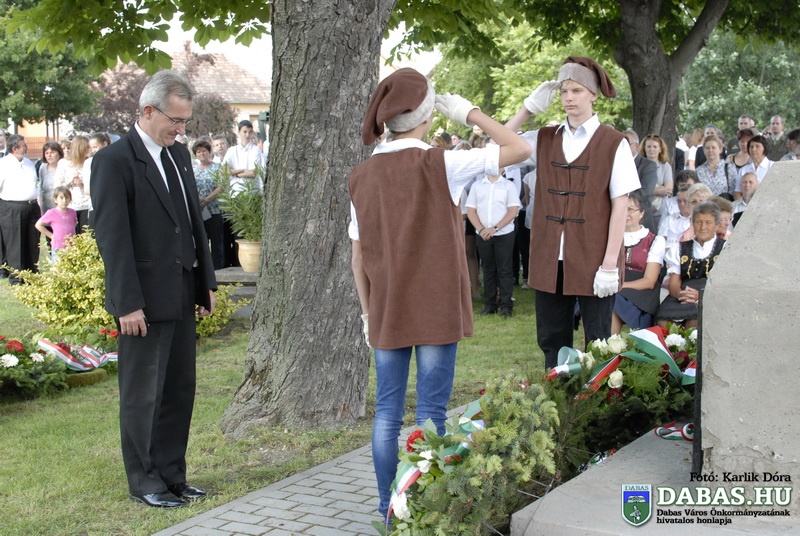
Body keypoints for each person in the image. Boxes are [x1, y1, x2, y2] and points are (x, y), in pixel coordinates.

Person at [348, 67, 531, 521]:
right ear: (428, 116)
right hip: (434, 304)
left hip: (387, 306)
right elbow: (519, 148)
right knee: (431, 412)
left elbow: (358, 256)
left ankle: (388, 509)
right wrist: (471, 114)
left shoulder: (362, 175)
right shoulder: (442, 163)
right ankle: (425, 507)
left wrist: (367, 313)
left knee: (387, 413)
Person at [90, 70, 217, 509]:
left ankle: (172, 475)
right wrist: (127, 303)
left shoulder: (178, 155)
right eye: (175, 121)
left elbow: (192, 221)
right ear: (148, 111)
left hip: (181, 289)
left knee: (179, 389)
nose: (181, 131)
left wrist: (205, 283)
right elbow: (113, 238)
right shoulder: (114, 161)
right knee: (143, 394)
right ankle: (143, 480)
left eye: (185, 122)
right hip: (141, 299)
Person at [505, 56, 640, 369]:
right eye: (564, 90)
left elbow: (620, 204)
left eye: (576, 90)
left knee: (599, 340)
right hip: (549, 256)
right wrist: (527, 109)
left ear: (593, 95)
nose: (568, 97)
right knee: (552, 339)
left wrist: (610, 264)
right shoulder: (544, 137)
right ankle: (558, 393)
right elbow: (497, 147)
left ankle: (598, 397)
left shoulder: (613, 142)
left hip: (594, 257)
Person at [656, 201, 725, 329]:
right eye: (698, 222)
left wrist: (700, 296)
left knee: (693, 323)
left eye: (708, 222)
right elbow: (674, 284)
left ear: (716, 225)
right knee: (664, 322)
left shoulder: (725, 248)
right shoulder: (680, 249)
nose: (703, 227)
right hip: (682, 295)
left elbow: (724, 284)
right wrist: (681, 294)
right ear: (692, 224)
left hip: (710, 296)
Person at [466, 168, 521, 317]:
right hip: (483, 234)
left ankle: (506, 306)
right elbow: (471, 210)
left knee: (504, 269)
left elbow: (513, 211)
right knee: (488, 269)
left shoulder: (508, 186)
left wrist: (495, 228)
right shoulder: (477, 185)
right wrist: (481, 229)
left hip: (504, 233)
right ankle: (490, 305)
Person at [611, 190, 665, 334]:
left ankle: (610, 343)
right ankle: (604, 343)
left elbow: (649, 281)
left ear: (641, 213)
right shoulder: (611, 236)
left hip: (641, 293)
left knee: (613, 299)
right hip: (614, 286)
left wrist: (621, 286)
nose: (626, 214)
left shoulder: (654, 241)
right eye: (622, 209)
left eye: (630, 209)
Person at [222, 120, 265, 267]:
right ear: (239, 132)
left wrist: (234, 172)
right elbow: (224, 170)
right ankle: (238, 263)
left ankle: (251, 263)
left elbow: (253, 172)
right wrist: (240, 171)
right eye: (244, 132)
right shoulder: (232, 151)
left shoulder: (255, 150)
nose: (247, 135)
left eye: (249, 132)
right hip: (236, 194)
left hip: (251, 193)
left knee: (251, 230)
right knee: (238, 231)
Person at [0, 135, 41, 284]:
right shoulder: (3, 164)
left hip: (31, 206)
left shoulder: (29, 162)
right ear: (15, 148)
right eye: (24, 145)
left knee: (32, 241)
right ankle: (17, 278)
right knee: (15, 244)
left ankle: (32, 274)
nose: (27, 147)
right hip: (12, 207)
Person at [192, 139, 225, 270]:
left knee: (216, 241)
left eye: (204, 151)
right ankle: (204, 269)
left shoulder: (217, 167)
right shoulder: (193, 170)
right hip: (199, 211)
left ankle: (218, 268)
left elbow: (221, 187)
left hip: (214, 210)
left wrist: (206, 200)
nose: (201, 154)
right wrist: (198, 200)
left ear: (209, 152)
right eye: (198, 152)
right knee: (201, 241)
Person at [622, 129, 657, 232]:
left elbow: (646, 191)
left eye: (626, 144)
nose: (622, 147)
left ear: (637, 146)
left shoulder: (648, 165)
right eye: (620, 144)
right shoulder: (614, 164)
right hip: (618, 216)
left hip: (641, 218)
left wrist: (622, 200)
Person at [55, 135, 91, 231]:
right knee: (70, 235)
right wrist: (70, 180)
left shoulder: (88, 163)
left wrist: (81, 184)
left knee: (86, 234)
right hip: (69, 205)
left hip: (86, 205)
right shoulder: (63, 163)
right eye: (87, 147)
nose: (89, 150)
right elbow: (57, 186)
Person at [35, 186, 78, 262]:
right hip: (58, 246)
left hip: (71, 246)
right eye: (61, 198)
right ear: (55, 200)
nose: (64, 200)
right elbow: (38, 225)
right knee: (58, 266)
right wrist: (51, 236)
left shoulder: (72, 212)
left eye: (67, 198)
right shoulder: (52, 212)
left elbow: (74, 223)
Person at [641, 134, 673, 231]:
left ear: (660, 149)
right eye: (649, 146)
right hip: (642, 208)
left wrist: (648, 190)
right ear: (644, 148)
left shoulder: (665, 166)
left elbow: (669, 189)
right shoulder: (639, 165)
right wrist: (659, 190)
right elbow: (637, 189)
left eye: (655, 147)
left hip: (660, 210)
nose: (652, 149)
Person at [83, 132, 111, 227]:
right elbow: (87, 189)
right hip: (96, 207)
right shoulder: (88, 163)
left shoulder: (115, 160)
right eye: (91, 148)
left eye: (95, 147)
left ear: (104, 144)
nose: (93, 150)